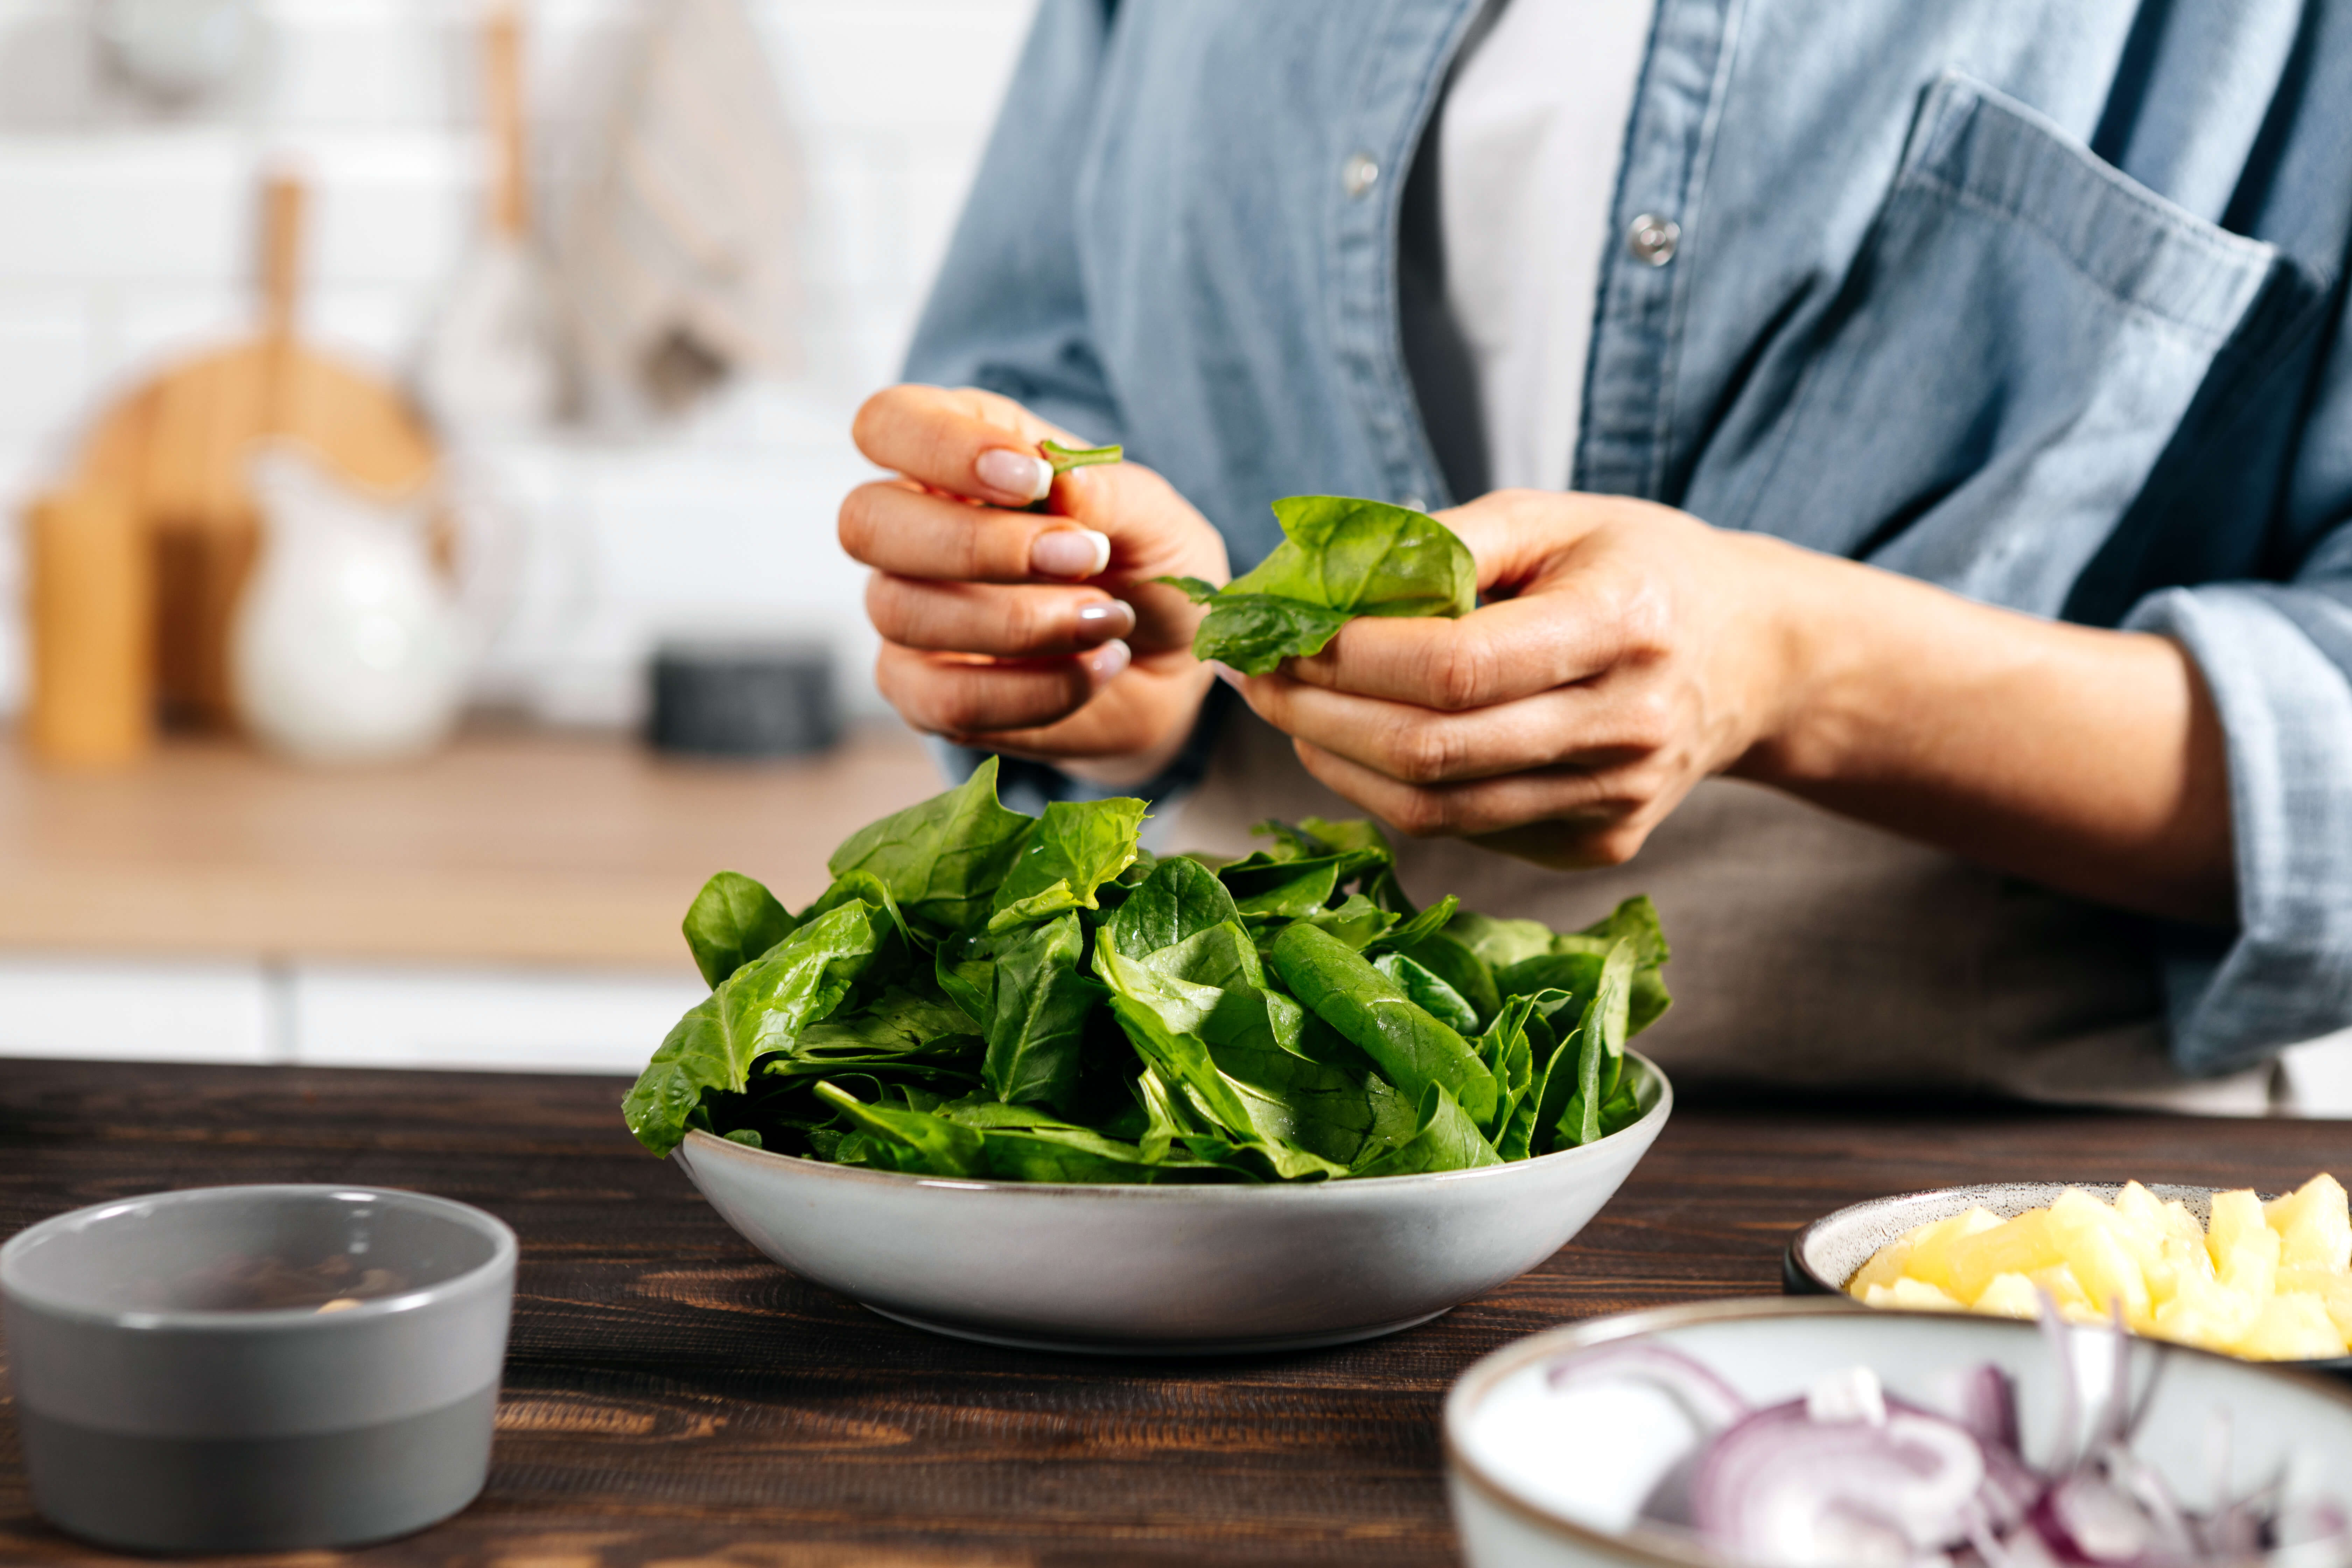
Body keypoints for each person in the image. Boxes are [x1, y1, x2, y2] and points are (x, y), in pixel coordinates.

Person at [837, 0, 2352, 1109]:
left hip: (1952, 1206)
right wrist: (1099, 643)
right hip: (1240, 1138)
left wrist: (1792, 667)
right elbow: (1046, 380)